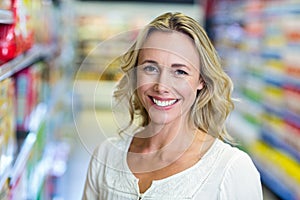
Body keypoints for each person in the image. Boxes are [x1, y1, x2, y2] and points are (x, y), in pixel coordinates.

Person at [82, 12, 263, 200]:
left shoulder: (232, 170)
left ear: (201, 79)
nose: (161, 86)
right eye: (150, 68)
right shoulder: (106, 156)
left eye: (180, 71)